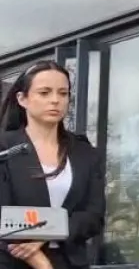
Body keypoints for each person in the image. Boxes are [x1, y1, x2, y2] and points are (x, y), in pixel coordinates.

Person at [0, 61, 105, 269]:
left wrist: (46, 233)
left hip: (69, 261)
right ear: (22, 99)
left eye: (63, 93)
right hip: (14, 261)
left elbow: (93, 216)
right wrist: (40, 261)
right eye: (44, 93)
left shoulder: (84, 152)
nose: (55, 100)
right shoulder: (5, 148)